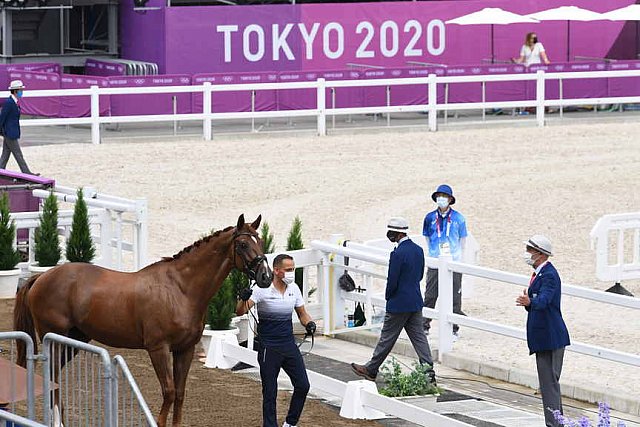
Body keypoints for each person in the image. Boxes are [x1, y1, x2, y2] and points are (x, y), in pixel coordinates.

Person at [351, 217, 436, 384]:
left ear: (396, 233)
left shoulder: (397, 254)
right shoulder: (418, 250)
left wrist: (389, 296)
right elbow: (419, 275)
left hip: (398, 303)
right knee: (419, 337)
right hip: (415, 301)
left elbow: (392, 281)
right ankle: (428, 372)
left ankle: (371, 369)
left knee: (387, 338)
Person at [236, 254, 316, 427]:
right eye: (288, 270)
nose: (291, 273)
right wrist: (242, 298)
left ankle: (290, 423)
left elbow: (302, 314)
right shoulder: (261, 289)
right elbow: (240, 312)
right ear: (277, 270)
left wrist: (309, 323)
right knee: (270, 392)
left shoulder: (294, 288)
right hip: (269, 348)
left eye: (293, 269)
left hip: (289, 345)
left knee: (303, 385)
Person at [516, 235, 570, 427]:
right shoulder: (540, 273)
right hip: (545, 337)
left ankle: (554, 424)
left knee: (549, 387)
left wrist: (530, 302)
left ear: (539, 254)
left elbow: (545, 300)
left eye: (529, 250)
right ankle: (557, 423)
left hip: (550, 337)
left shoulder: (549, 275)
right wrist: (529, 303)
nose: (527, 254)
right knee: (549, 386)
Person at [422, 184, 468, 336]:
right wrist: (433, 253)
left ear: (450, 199)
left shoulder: (458, 218)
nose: (441, 199)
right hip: (435, 260)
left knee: (454, 296)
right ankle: (424, 326)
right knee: (430, 294)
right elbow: (427, 237)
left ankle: (454, 329)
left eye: (444, 196)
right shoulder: (429, 217)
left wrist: (458, 260)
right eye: (439, 196)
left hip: (453, 261)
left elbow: (463, 241)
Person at [0, 80, 38, 176]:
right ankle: (27, 173)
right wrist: (2, 132)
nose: (22, 92)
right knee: (18, 154)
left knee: (5, 155)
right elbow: (2, 118)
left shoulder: (15, 102)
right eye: (21, 90)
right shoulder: (9, 102)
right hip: (9, 133)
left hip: (11, 132)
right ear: (16, 91)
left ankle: (0, 170)